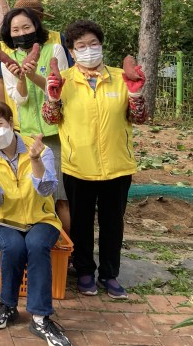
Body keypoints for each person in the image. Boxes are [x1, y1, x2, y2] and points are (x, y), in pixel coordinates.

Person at [42, 20, 148, 300]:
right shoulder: (63, 79)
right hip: (78, 166)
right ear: (71, 51)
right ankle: (85, 271)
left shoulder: (120, 77)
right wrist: (52, 98)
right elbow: (51, 119)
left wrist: (135, 92)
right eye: (81, 46)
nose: (88, 50)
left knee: (113, 223)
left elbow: (139, 117)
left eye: (93, 44)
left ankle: (110, 274)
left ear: (101, 46)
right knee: (81, 222)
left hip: (117, 165)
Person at [0, 101, 70, 346]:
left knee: (36, 245)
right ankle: (7, 305)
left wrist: (35, 159)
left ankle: (40, 317)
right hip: (0, 219)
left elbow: (46, 189)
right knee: (13, 247)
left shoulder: (40, 149)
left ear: (10, 123)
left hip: (42, 218)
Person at [0, 7, 70, 233]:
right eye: (16, 30)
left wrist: (32, 75)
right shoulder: (9, 60)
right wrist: (21, 78)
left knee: (60, 198)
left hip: (56, 133)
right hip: (28, 136)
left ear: (36, 27)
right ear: (9, 33)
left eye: (26, 27)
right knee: (38, 196)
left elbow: (60, 90)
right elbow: (20, 99)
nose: (21, 33)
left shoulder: (54, 49)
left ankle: (69, 248)